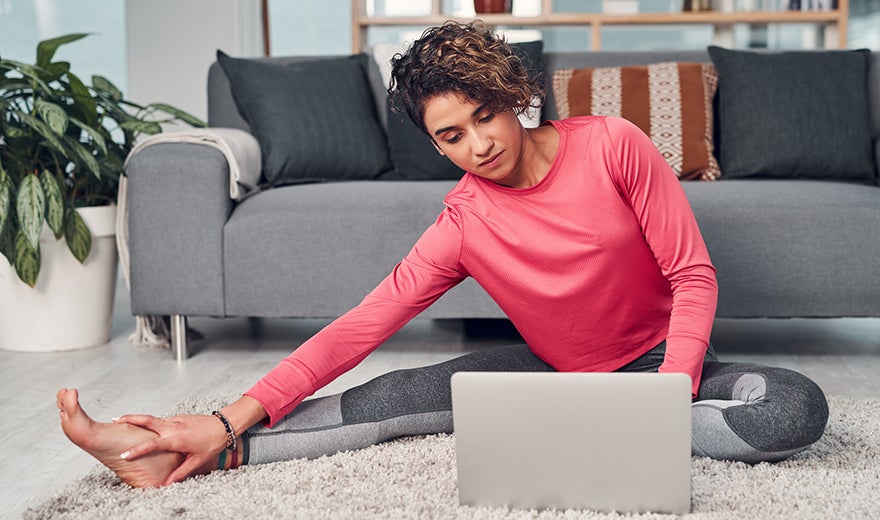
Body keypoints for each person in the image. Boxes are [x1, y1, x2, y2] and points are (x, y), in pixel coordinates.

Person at [57, 21, 829, 489]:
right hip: (557, 380)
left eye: (485, 117)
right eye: (450, 136)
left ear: (513, 98)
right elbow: (359, 326)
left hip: (668, 371)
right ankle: (179, 455)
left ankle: (602, 424)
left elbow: (691, 275)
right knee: (398, 397)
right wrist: (223, 421)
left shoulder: (614, 147)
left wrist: (668, 392)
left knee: (794, 409)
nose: (479, 146)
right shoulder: (462, 221)